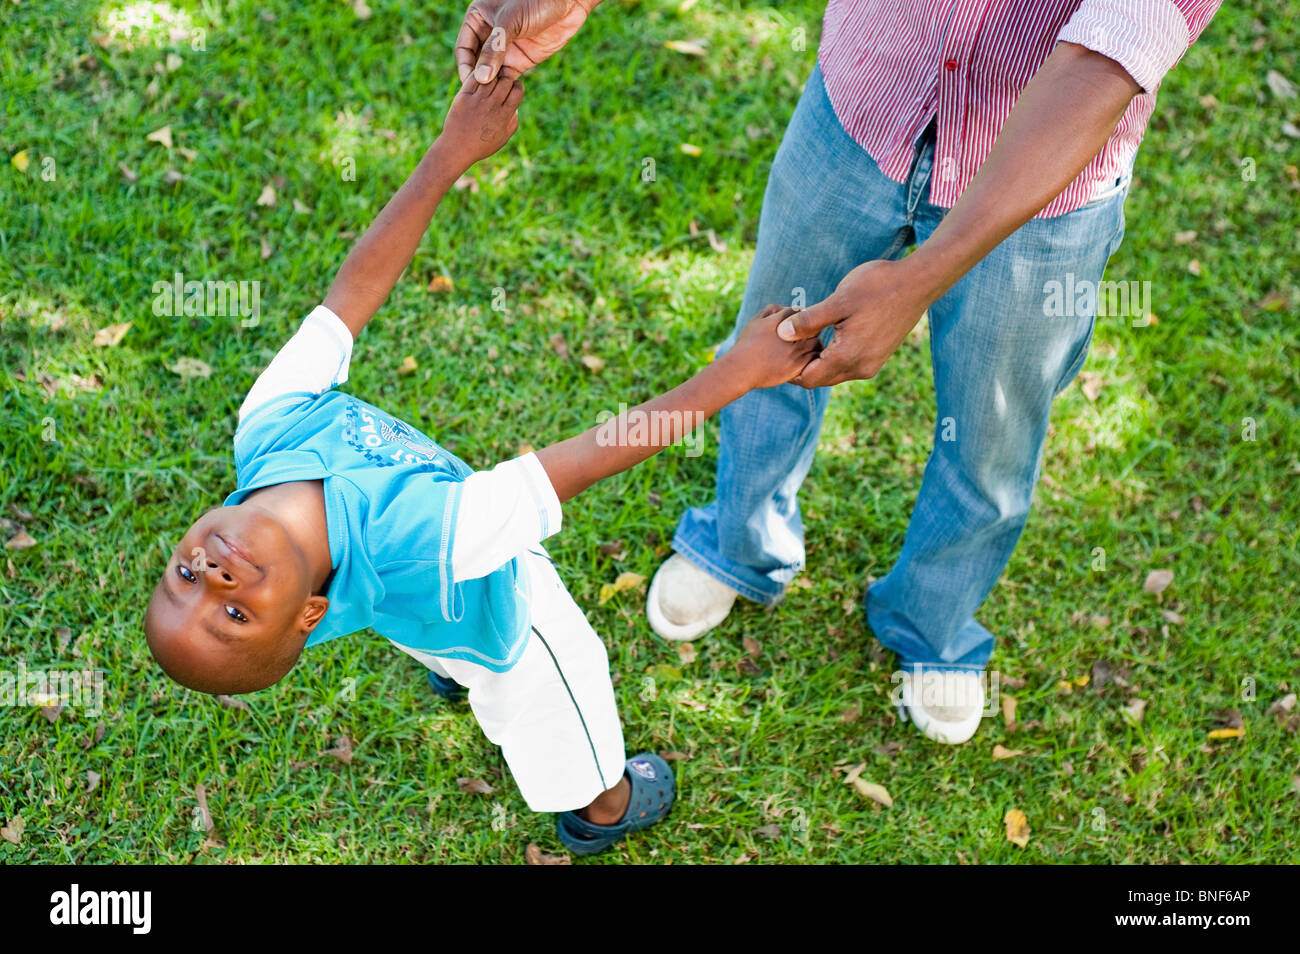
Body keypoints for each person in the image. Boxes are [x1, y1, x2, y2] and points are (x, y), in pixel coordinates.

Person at [454, 0, 1223, 744]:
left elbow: (1105, 55)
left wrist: (919, 279)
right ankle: (738, 540)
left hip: (1045, 191)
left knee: (995, 429)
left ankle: (935, 624)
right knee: (769, 343)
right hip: (862, 105)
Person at [142, 72, 820, 854]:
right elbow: (587, 457)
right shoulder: (430, 533)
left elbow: (349, 295)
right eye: (233, 614)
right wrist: (736, 373)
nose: (213, 577)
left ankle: (443, 655)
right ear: (309, 616)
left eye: (184, 579)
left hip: (418, 595)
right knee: (566, 690)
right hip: (508, 615)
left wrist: (447, 156)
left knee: (417, 617)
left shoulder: (267, 429)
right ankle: (603, 803)